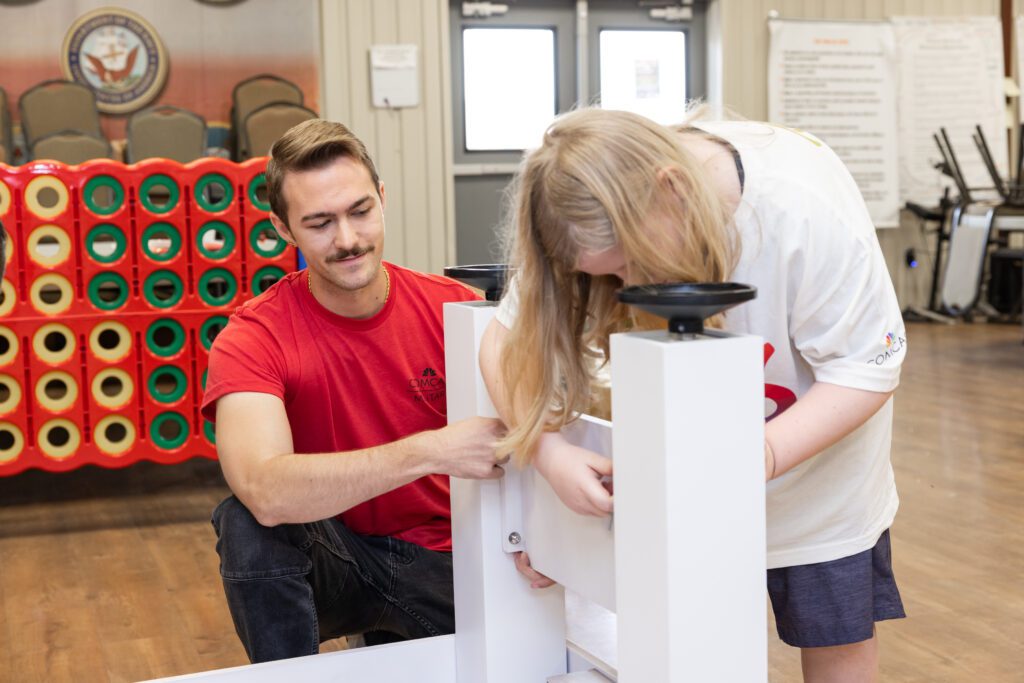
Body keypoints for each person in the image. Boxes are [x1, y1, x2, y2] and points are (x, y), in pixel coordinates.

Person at [479, 108, 907, 681]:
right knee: (689, 645)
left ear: (670, 191)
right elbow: (501, 342)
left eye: (627, 264)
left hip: (817, 484)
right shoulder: (578, 205)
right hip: (680, 489)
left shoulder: (803, 206)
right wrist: (550, 454)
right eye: (602, 277)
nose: (625, 288)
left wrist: (761, 455)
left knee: (835, 642)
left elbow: (867, 368)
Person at [201, 119, 506, 663]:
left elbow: (527, 436)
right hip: (345, 560)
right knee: (246, 521)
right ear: (283, 228)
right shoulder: (252, 337)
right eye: (319, 223)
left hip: (454, 564)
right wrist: (430, 449)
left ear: (382, 199)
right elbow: (264, 489)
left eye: (360, 212)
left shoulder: (454, 310)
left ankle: (401, 635)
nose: (347, 240)